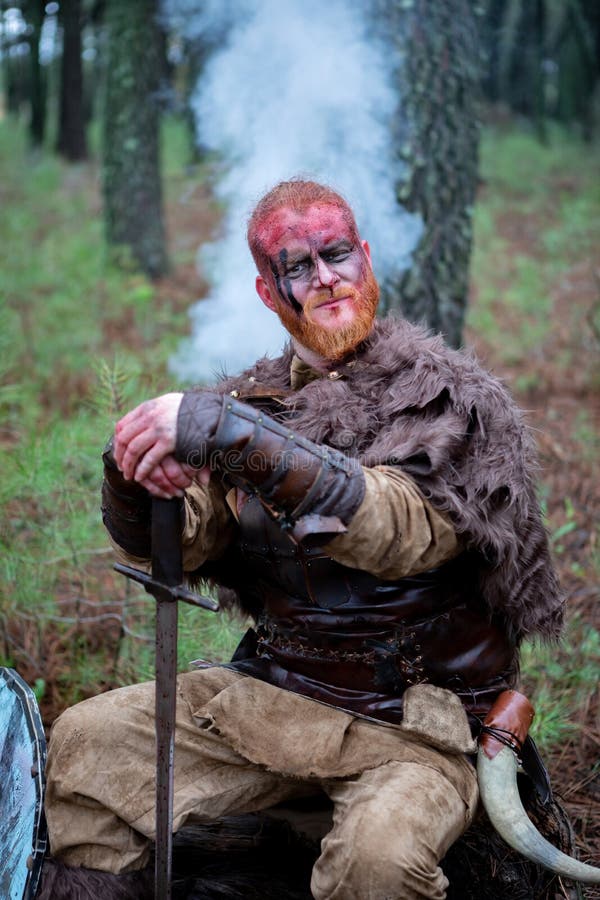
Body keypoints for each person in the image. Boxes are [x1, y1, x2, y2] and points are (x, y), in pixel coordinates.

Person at [39, 179, 565, 900]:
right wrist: (137, 477)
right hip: (275, 696)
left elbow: (399, 529)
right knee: (85, 743)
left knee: (376, 862)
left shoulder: (450, 399)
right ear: (267, 291)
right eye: (298, 266)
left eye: (337, 254)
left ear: (366, 258)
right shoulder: (254, 407)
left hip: (417, 729)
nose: (325, 279)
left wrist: (227, 434)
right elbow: (186, 544)